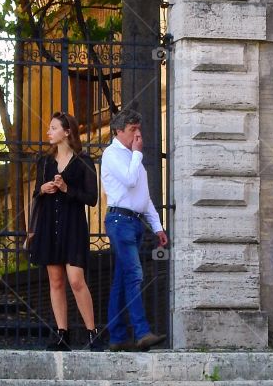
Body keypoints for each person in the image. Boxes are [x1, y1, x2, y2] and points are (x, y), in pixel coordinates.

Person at [27, 111, 104, 351]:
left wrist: (66, 187)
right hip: (49, 226)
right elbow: (36, 195)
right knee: (56, 281)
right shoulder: (45, 162)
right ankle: (63, 334)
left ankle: (92, 332)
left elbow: (92, 198)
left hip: (73, 227)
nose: (48, 132)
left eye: (53, 128)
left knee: (76, 280)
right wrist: (44, 188)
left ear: (67, 132)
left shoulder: (84, 161)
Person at [101, 108, 169, 352]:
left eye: (139, 129)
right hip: (120, 223)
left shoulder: (133, 158)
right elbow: (129, 181)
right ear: (119, 131)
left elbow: (144, 197)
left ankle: (117, 336)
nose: (138, 135)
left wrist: (157, 227)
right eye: (132, 130)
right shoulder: (113, 155)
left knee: (122, 281)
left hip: (134, 224)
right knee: (135, 274)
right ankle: (141, 332)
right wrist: (137, 155)